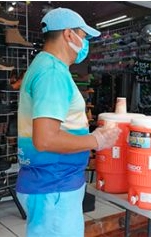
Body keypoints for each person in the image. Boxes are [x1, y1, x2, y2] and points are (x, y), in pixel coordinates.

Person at [16, 8, 121, 237]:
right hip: (54, 186)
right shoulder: (52, 72)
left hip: (50, 184)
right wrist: (96, 140)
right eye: (83, 36)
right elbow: (45, 139)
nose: (85, 44)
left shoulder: (45, 67)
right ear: (68, 34)